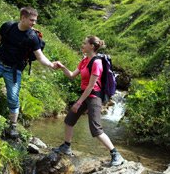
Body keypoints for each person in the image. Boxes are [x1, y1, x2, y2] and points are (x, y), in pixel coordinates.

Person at [0, 7, 57, 139]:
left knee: (13, 98)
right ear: (22, 17)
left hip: (13, 71)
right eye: (31, 20)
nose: (34, 23)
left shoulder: (32, 37)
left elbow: (40, 56)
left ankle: (13, 125)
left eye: (35, 20)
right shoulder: (8, 27)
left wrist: (51, 64)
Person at [53, 36, 125, 166]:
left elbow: (91, 86)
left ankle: (116, 154)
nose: (82, 45)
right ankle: (66, 147)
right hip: (85, 95)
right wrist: (62, 67)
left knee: (96, 129)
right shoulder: (84, 61)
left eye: (84, 43)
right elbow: (71, 75)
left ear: (91, 46)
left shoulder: (96, 63)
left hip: (93, 97)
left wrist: (79, 102)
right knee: (69, 120)